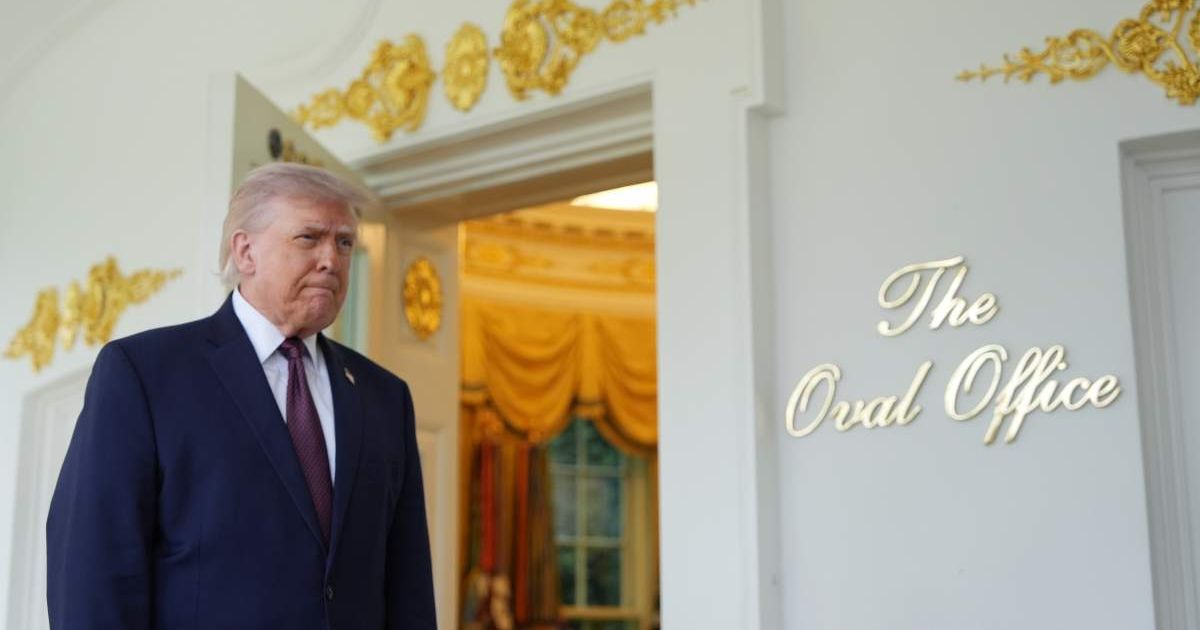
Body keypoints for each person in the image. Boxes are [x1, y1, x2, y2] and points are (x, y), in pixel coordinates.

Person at [46, 162, 436, 629]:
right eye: (309, 238)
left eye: (345, 242)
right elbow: (93, 567)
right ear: (245, 251)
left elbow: (408, 582)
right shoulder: (145, 374)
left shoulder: (384, 397)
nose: (332, 259)